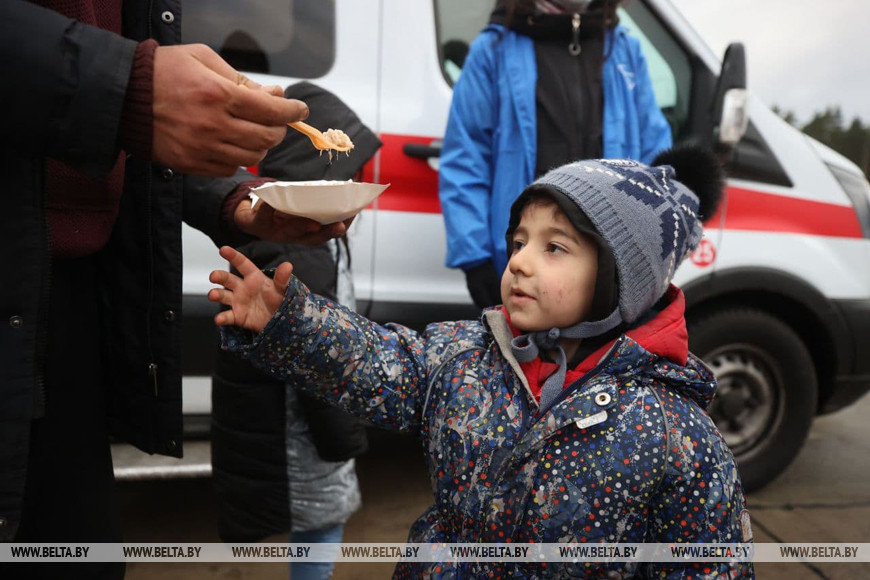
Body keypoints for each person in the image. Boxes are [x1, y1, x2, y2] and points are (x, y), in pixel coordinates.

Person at [209, 146, 755, 578]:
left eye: (554, 247)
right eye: (519, 242)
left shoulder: (676, 435)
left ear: (620, 279)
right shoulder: (464, 358)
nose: (519, 262)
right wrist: (290, 321)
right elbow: (376, 363)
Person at [0, 2, 351, 579]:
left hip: (72, 315)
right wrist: (129, 87)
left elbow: (125, 139)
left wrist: (237, 201)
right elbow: (125, 103)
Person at [211, 81, 379, 580]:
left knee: (315, 522)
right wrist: (343, 437)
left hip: (295, 426)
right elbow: (319, 362)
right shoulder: (299, 254)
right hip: (302, 433)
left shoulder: (305, 238)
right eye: (351, 173)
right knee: (321, 523)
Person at [439, 0, 674, 309]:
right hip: (522, 266)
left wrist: (655, 249)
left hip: (612, 270)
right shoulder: (493, 50)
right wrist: (475, 259)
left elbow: (655, 157)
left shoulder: (624, 49)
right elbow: (465, 159)